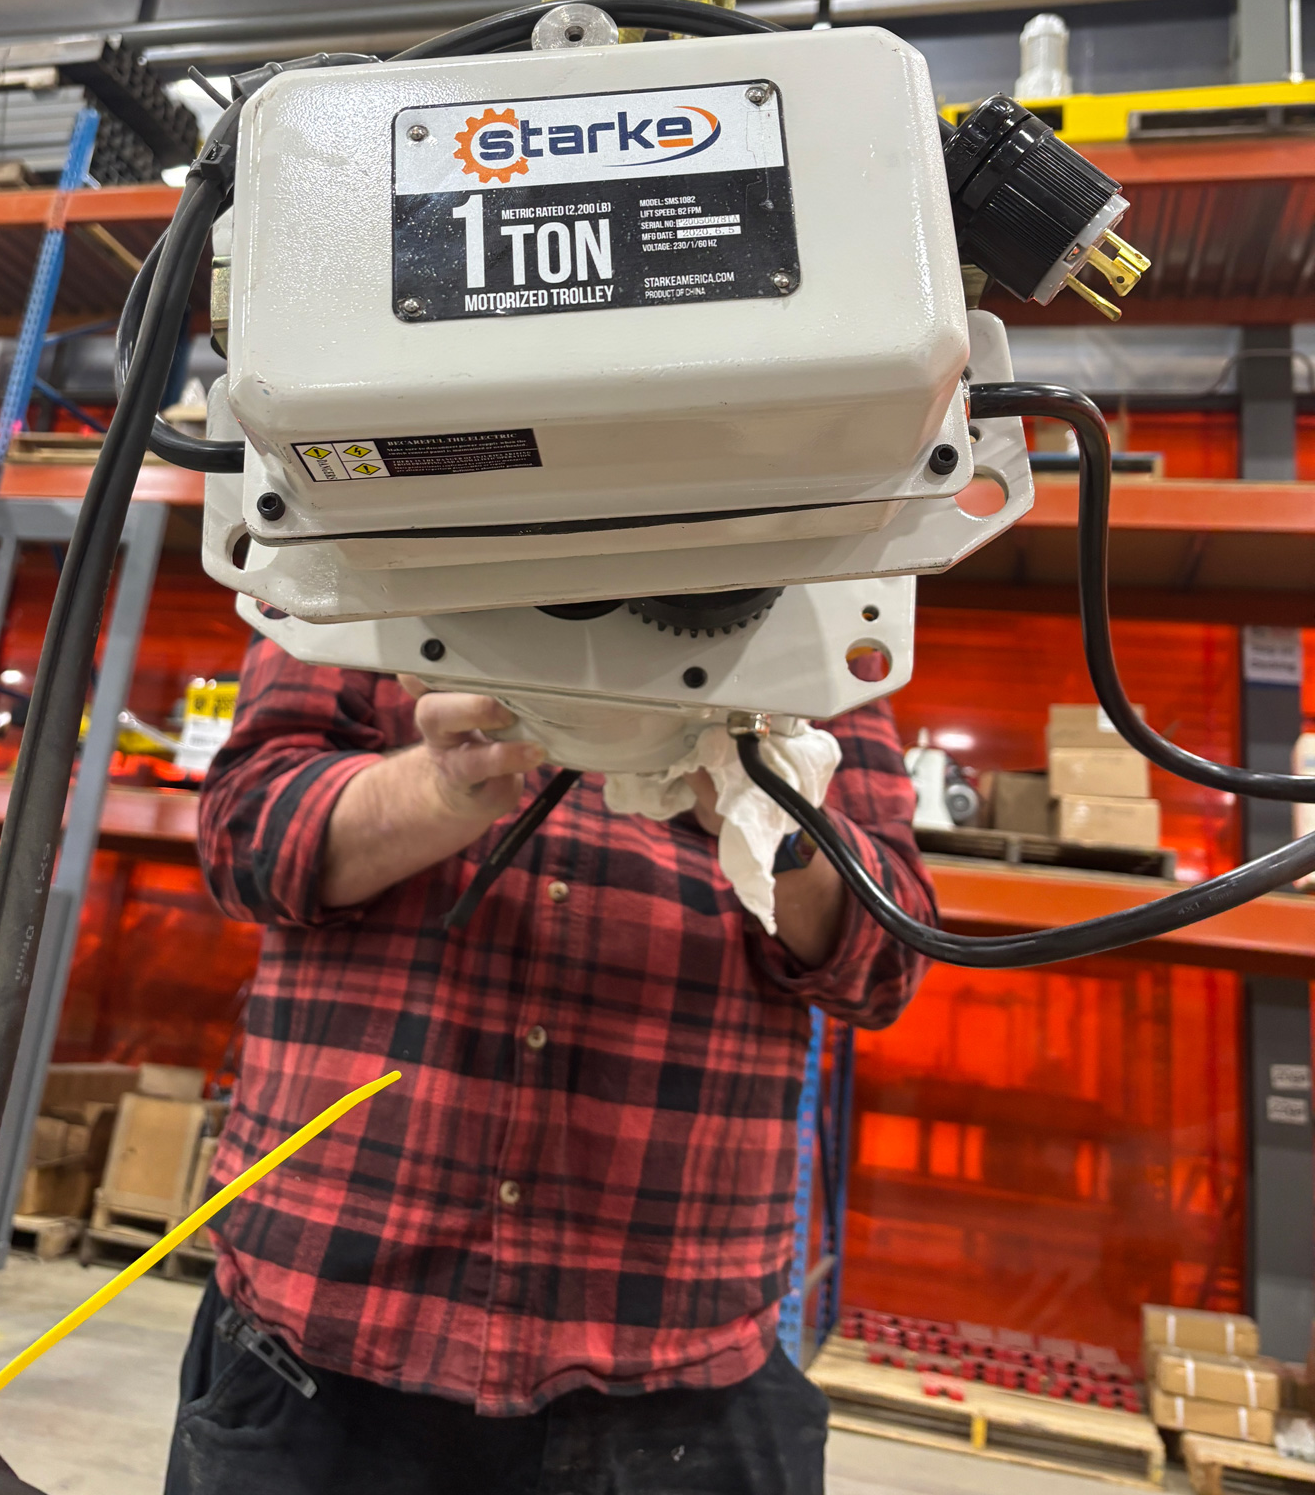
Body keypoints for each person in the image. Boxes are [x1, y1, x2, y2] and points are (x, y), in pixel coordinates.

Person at [165, 638, 935, 1495]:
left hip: (680, 1352)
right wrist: (439, 786)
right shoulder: (356, 570)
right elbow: (244, 838)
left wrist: (765, 813)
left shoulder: (806, 620)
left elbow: (888, 959)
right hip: (324, 1326)